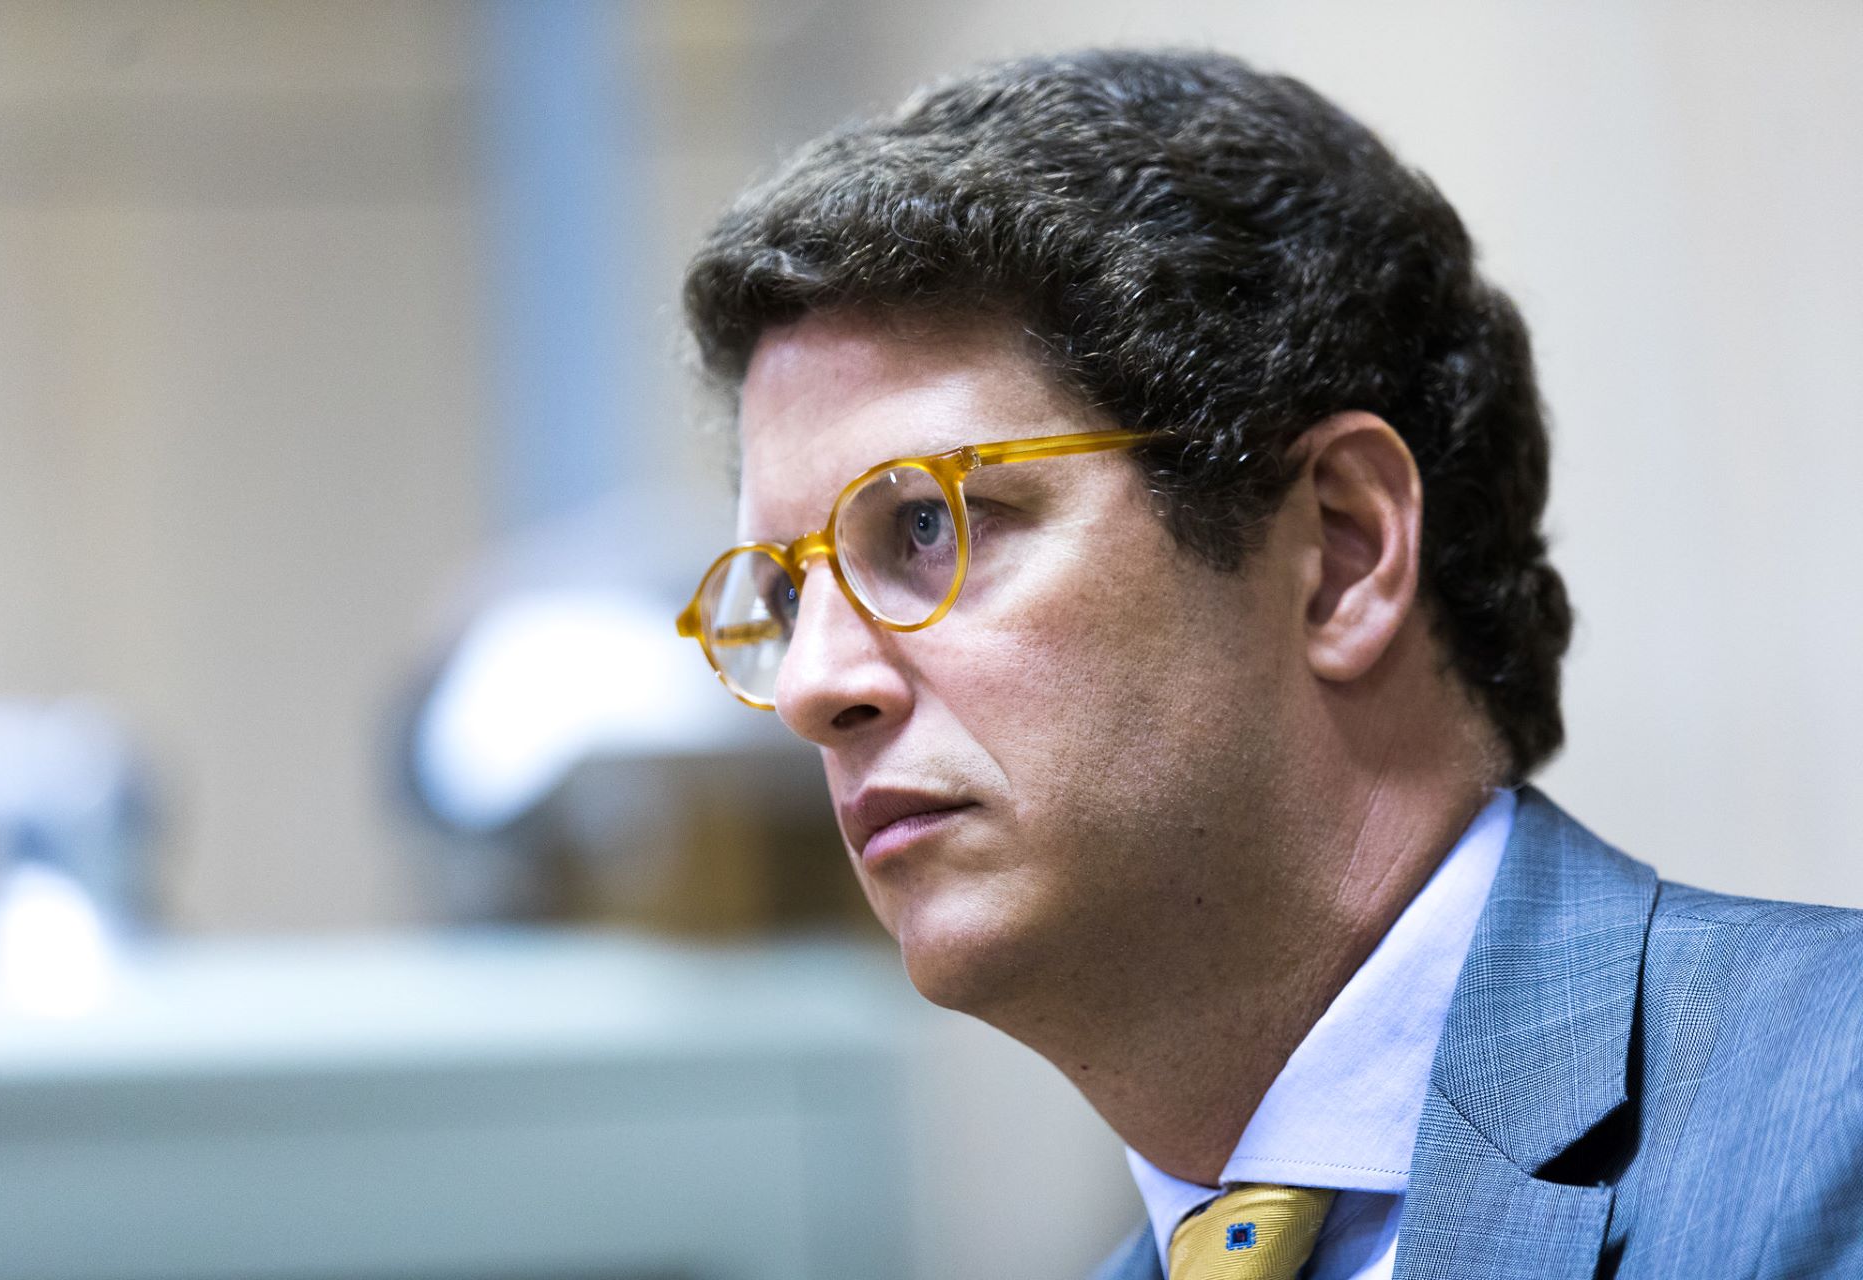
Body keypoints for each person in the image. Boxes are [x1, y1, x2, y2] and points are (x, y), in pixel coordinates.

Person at [672, 49, 1863, 1280]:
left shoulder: (1833, 1108)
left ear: (1341, 552)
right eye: (788, 594)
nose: (812, 688)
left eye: (925, 524)